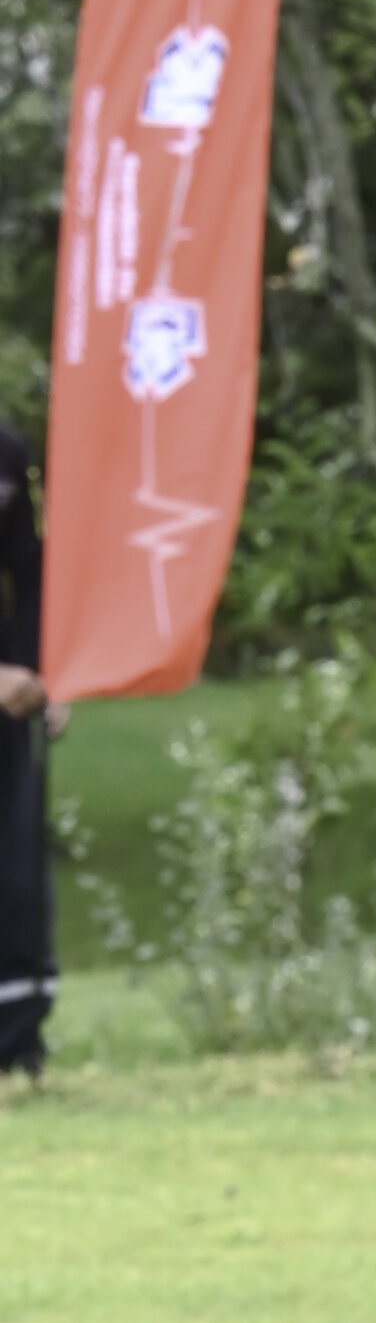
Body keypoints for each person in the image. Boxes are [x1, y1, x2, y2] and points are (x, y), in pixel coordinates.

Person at [0, 422, 63, 1077]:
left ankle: (18, 1041)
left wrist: (57, 674)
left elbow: (34, 582)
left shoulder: (9, 454)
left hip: (11, 728)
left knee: (17, 883)